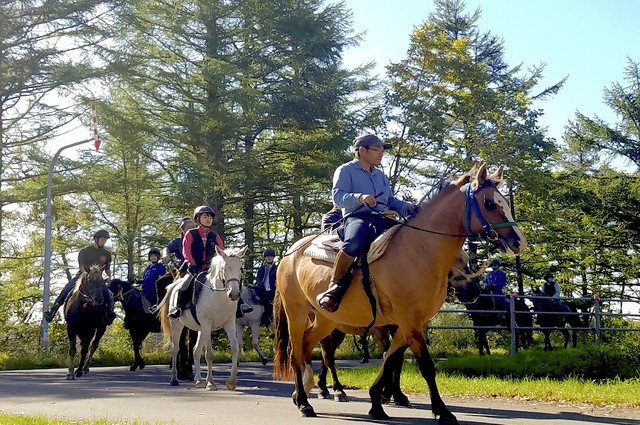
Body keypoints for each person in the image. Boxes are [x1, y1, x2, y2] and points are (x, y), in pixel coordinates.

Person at [316, 134, 420, 313]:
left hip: (383, 217)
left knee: (411, 238)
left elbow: (390, 200)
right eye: (377, 150)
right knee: (354, 242)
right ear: (361, 150)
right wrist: (359, 197)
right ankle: (335, 286)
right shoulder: (345, 170)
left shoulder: (380, 176)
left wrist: (406, 207)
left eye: (382, 150)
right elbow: (338, 197)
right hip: (358, 217)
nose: (381, 154)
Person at [168, 206, 253, 318]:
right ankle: (179, 308)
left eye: (210, 217)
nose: (208, 219)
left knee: (233, 280)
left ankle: (240, 305)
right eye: (205, 216)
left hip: (211, 269)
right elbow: (186, 251)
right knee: (185, 285)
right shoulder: (190, 234)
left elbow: (223, 254)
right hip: (195, 267)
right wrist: (191, 263)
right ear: (198, 218)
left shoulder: (215, 236)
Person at [43, 229, 116, 324]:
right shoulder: (85, 251)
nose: (104, 241)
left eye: (105, 240)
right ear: (96, 239)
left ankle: (109, 314)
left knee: (109, 294)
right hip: (82, 276)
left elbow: (107, 269)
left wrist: (110, 277)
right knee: (66, 290)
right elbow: (81, 267)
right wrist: (88, 274)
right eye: (102, 239)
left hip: (97, 279)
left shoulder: (107, 254)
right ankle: (52, 311)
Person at [254, 249, 277, 326]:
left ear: (273, 258)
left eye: (270, 257)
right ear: (265, 258)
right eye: (267, 257)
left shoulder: (276, 269)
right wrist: (259, 285)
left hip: (272, 289)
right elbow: (258, 279)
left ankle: (266, 319)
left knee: (267, 303)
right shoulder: (261, 269)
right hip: (262, 289)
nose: (269, 258)